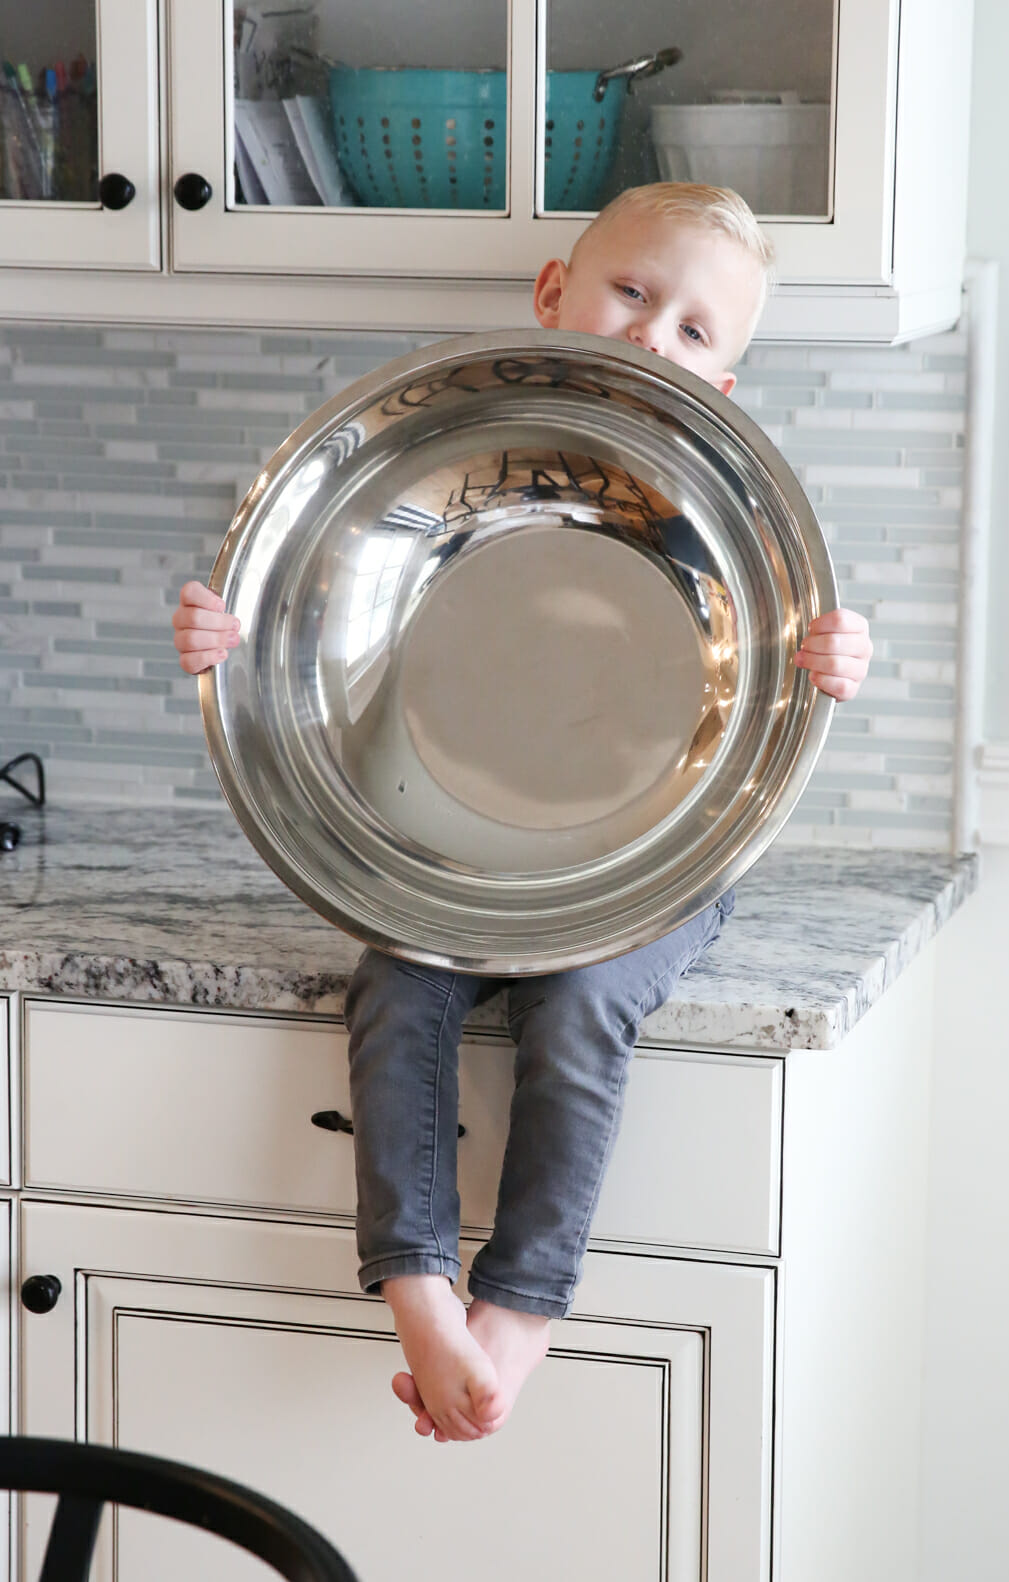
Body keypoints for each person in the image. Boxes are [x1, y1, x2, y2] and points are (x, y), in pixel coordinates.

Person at [173, 183, 873, 1445]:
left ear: (722, 385)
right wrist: (230, 637)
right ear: (555, 291)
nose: (653, 333)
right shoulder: (459, 453)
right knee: (397, 990)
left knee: (583, 999)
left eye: (696, 330)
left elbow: (788, 645)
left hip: (654, 861)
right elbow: (310, 601)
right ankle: (416, 1284)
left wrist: (836, 651)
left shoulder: (717, 503)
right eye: (633, 292)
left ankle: (523, 1306)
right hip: (455, 847)